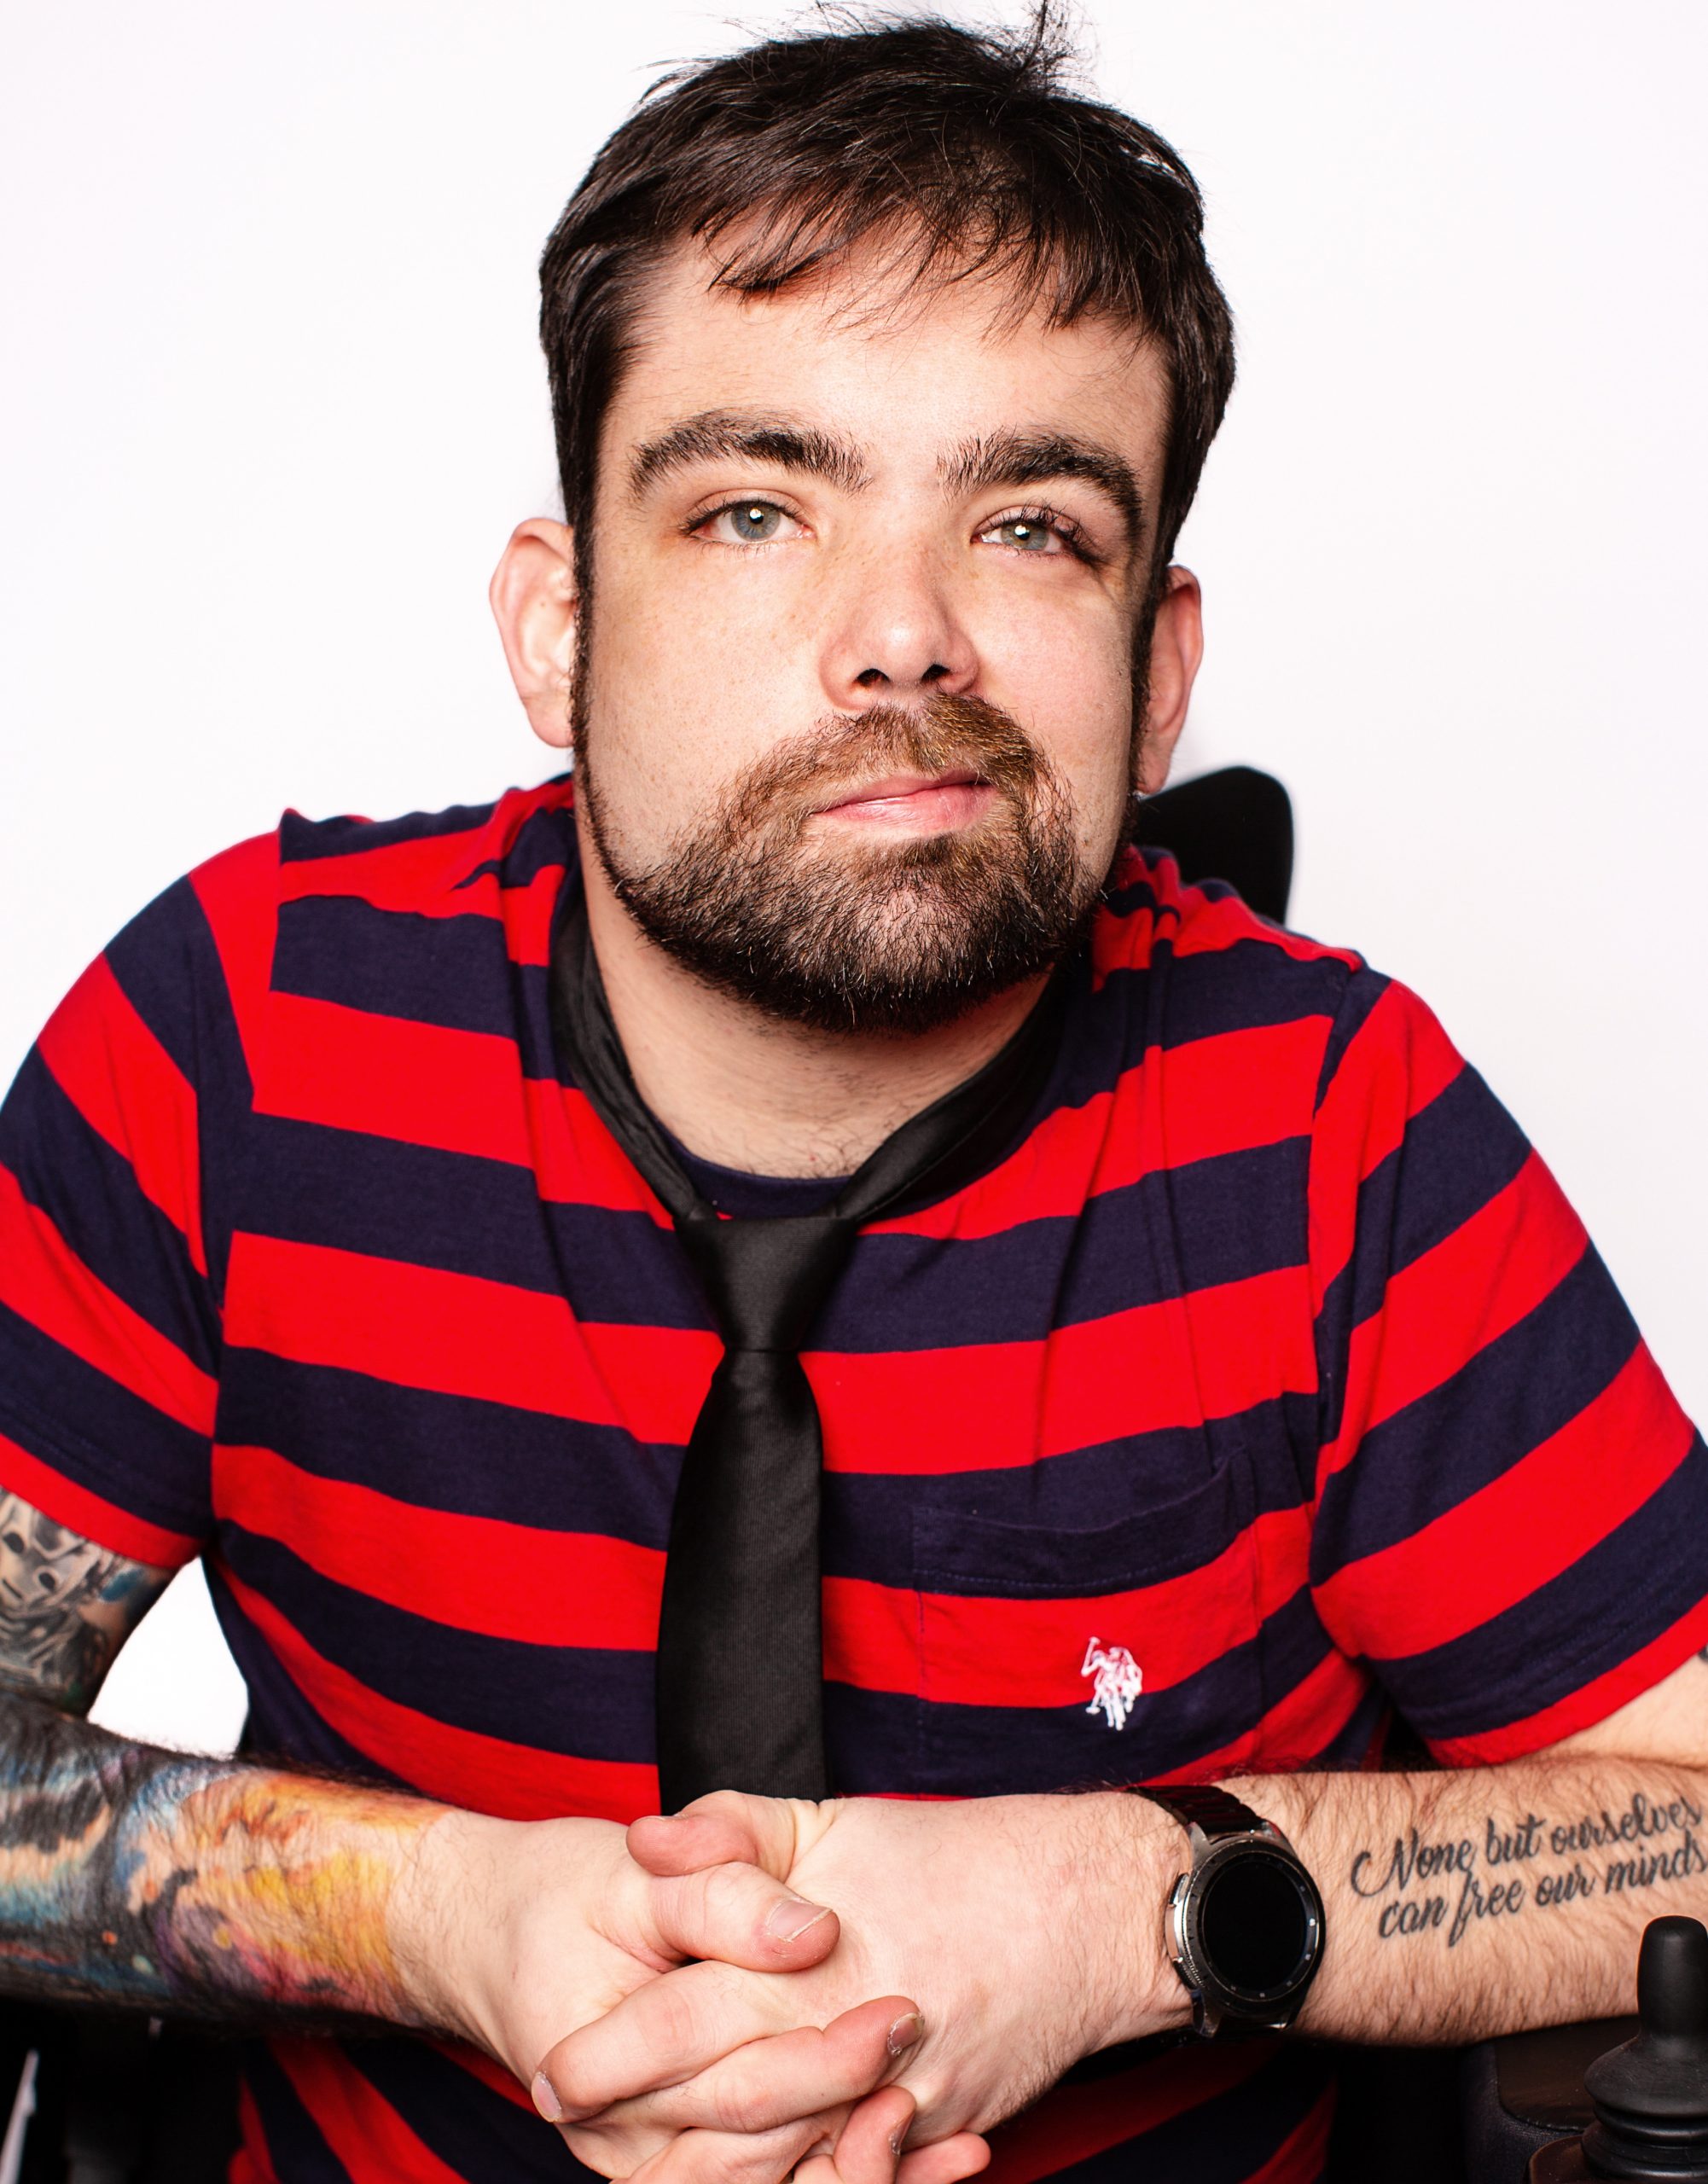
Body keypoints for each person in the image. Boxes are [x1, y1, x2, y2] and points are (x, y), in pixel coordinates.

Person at [0, 10, 1703, 2183]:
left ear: (1157, 668)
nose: (899, 637)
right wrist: (431, 1909)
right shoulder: (239, 1036)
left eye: (1026, 524)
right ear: (554, 621)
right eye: (750, 506)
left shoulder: (1325, 1122)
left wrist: (1133, 1907)